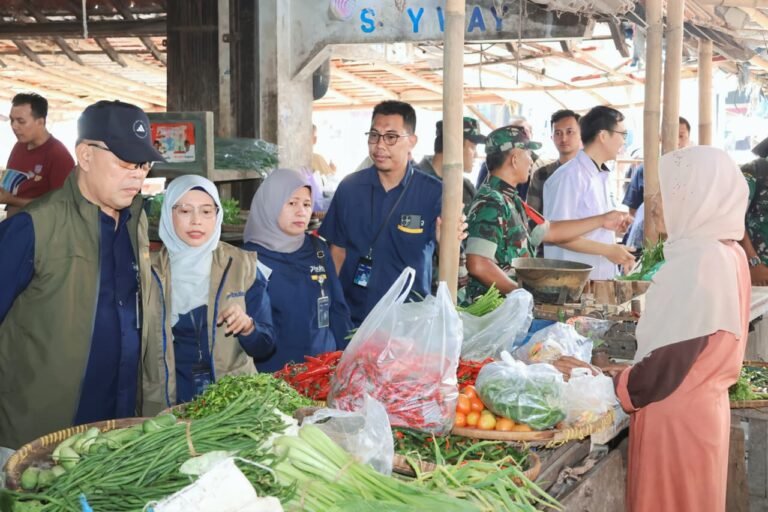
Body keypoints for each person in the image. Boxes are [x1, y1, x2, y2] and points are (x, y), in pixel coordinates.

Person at [0, 100, 164, 448]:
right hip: (43, 437)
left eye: (144, 164)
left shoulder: (136, 220)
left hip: (118, 430)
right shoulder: (33, 227)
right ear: (86, 156)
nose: (137, 174)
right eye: (125, 161)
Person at [605, 146, 750, 511]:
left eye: (675, 190)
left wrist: (619, 383)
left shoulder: (703, 258)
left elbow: (673, 357)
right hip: (701, 410)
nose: (659, 202)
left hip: (675, 416)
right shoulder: (728, 251)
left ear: (700, 196)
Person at [141, 175, 274, 414]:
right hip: (166, 402)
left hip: (233, 404)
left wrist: (248, 328)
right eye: (184, 211)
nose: (196, 222)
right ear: (168, 215)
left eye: (206, 211)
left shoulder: (243, 266)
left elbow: (266, 345)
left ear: (218, 215)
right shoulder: (146, 272)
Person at [464, 125, 632, 300]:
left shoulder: (512, 200)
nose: (531, 161)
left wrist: (602, 220)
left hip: (510, 307)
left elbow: (551, 231)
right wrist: (521, 293)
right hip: (492, 313)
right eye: (528, 154)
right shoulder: (492, 201)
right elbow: (478, 264)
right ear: (514, 159)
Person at [318, 100, 443, 326]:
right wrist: (330, 306)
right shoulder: (349, 188)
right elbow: (337, 252)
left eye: (391, 137)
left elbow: (448, 255)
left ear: (411, 142)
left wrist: (447, 240)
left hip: (408, 322)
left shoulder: (433, 193)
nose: (380, 145)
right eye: (374, 136)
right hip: (354, 318)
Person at [243, 168, 353, 372]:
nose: (301, 211)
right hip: (276, 378)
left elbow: (338, 310)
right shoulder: (250, 258)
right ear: (271, 203)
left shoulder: (317, 249)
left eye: (306, 204)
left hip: (322, 372)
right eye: (292, 203)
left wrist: (346, 360)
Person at [543, 105, 635, 279]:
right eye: (622, 134)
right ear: (603, 136)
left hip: (596, 281)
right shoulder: (569, 176)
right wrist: (607, 249)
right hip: (572, 286)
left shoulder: (602, 175)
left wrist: (613, 226)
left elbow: (590, 226)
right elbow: (554, 234)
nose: (624, 141)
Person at [622, 117, 692, 250]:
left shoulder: (693, 172)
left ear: (689, 139)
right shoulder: (645, 170)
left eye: (681, 136)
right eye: (671, 136)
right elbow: (633, 209)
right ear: (660, 139)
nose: (676, 142)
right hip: (646, 244)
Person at [0, 92, 75, 216]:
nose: (14, 126)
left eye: (21, 121)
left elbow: (61, 205)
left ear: (40, 122)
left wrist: (12, 200)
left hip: (40, 230)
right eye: (12, 120)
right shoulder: (19, 146)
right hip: (13, 226)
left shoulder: (59, 156)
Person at [418, 116, 486, 207]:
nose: (476, 155)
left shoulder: (466, 186)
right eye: (473, 147)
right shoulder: (414, 183)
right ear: (454, 146)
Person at [526, 109, 582, 215]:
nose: (564, 138)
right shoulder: (542, 174)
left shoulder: (590, 173)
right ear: (552, 138)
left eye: (569, 132)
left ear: (581, 135)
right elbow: (532, 215)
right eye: (558, 133)